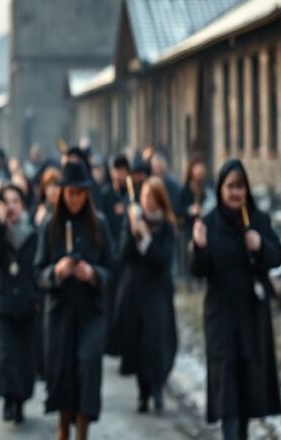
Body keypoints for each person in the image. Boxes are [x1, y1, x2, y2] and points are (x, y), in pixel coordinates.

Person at [191, 159, 281, 440]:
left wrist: (260, 245)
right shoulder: (208, 223)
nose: (235, 193)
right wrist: (199, 247)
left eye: (240, 187)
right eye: (230, 187)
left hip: (251, 319)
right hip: (221, 320)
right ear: (221, 189)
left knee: (246, 393)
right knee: (227, 395)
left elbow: (277, 255)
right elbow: (198, 270)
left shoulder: (258, 220)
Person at [34, 160, 114, 440]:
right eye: (70, 192)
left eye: (80, 193)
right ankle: (62, 426)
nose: (75, 198)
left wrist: (93, 274)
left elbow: (112, 269)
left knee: (87, 366)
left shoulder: (99, 225)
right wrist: (55, 272)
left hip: (91, 312)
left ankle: (82, 430)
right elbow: (38, 271)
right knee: (63, 371)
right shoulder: (50, 226)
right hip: (60, 313)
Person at [111, 177, 179, 414]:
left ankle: (157, 386)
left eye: (151, 198)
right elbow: (123, 255)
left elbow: (163, 260)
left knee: (155, 341)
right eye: (144, 197)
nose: (147, 202)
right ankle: (142, 392)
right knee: (137, 341)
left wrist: (147, 239)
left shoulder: (166, 226)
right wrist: (132, 232)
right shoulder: (132, 221)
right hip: (134, 291)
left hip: (157, 291)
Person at [0, 184, 40, 424]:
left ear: (23, 205)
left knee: (24, 357)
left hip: (27, 305)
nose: (10, 206)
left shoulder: (33, 234)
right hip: (2, 304)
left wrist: (37, 297)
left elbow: (38, 268)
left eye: (15, 201)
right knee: (6, 355)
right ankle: (9, 400)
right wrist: (0, 224)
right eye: (5, 201)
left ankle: (20, 401)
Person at [177, 155, 215, 289]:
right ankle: (189, 281)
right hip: (188, 228)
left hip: (205, 227)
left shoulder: (208, 187)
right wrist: (190, 210)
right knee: (188, 255)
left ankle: (201, 281)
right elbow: (178, 209)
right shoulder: (185, 189)